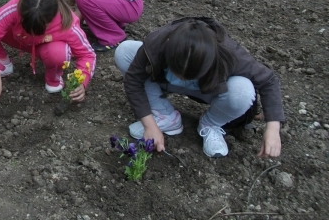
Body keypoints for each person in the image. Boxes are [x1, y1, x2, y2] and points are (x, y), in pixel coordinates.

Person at [114, 17, 284, 158]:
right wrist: (149, 125)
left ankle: (210, 124)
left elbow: (268, 81)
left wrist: (273, 128)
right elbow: (133, 79)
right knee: (125, 51)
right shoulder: (158, 41)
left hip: (210, 91)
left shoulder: (229, 53)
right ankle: (165, 116)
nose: (182, 78)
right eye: (177, 71)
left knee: (243, 90)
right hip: (165, 81)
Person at [0, 0, 96, 103]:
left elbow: (87, 55)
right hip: (17, 37)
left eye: (39, 29)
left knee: (58, 53)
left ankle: (53, 78)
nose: (32, 32)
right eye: (26, 25)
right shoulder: (16, 6)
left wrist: (82, 82)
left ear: (51, 19)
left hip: (45, 47)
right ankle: (2, 64)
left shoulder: (68, 25)